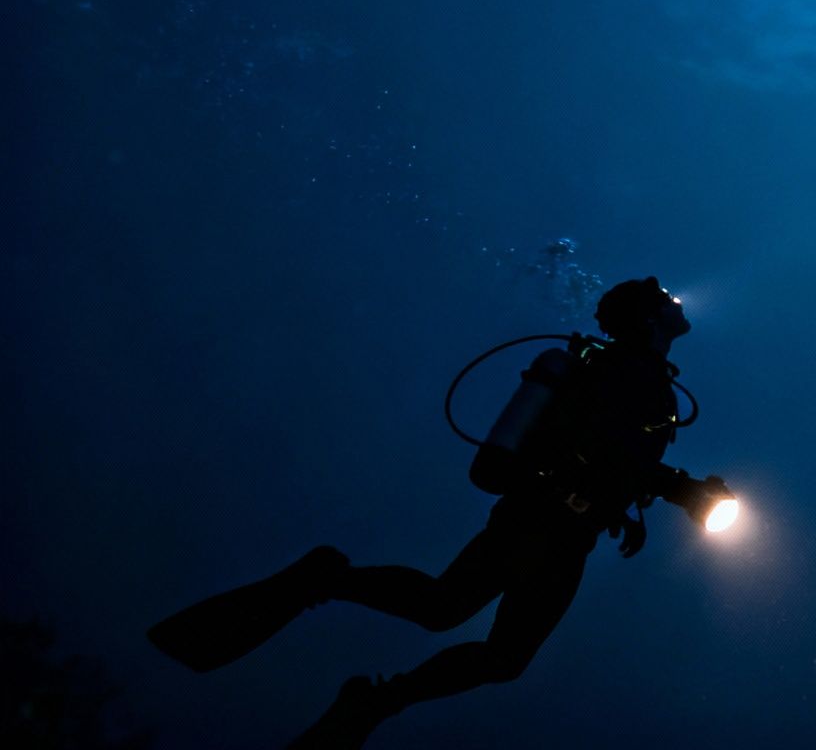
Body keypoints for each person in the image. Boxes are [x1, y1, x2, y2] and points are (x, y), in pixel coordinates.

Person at [146, 277, 730, 748]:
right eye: (664, 300)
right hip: (540, 521)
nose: (674, 303)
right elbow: (607, 446)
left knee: (466, 628)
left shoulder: (640, 375)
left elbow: (609, 455)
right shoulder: (627, 370)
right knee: (457, 620)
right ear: (649, 318)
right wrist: (684, 490)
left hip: (566, 529)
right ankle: (357, 652)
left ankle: (365, 675)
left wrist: (628, 506)